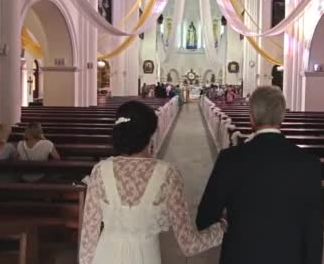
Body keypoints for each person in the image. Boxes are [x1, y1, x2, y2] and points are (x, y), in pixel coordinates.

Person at [79, 101, 225, 264]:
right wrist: (221, 228)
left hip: (104, 257)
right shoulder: (168, 174)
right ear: (150, 134)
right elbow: (189, 245)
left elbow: (88, 241)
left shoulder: (100, 171)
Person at [196, 86, 323, 264]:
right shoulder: (309, 164)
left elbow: (204, 218)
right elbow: (314, 231)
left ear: (251, 118)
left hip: (240, 256)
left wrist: (226, 219)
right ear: (282, 117)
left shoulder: (230, 159)